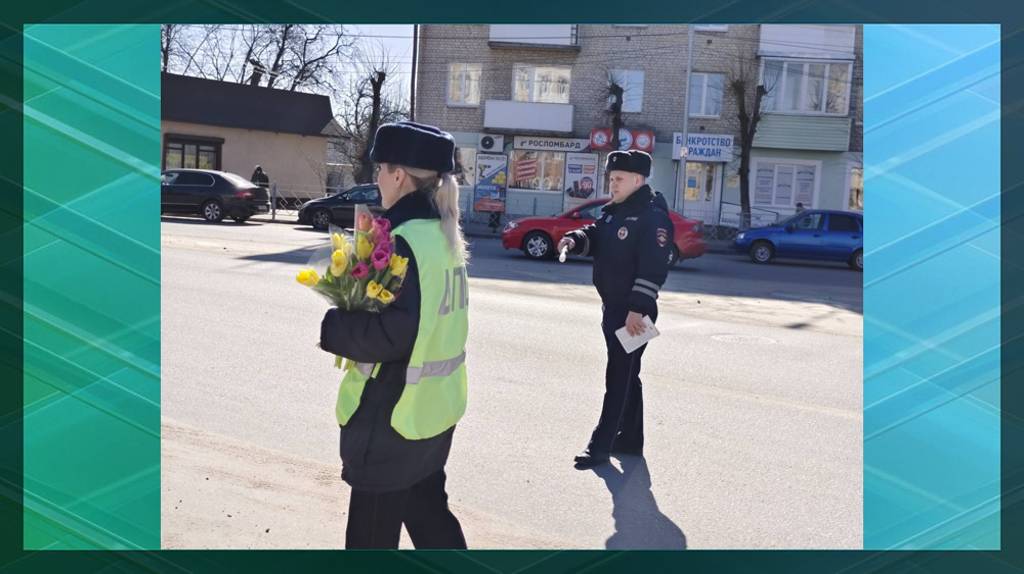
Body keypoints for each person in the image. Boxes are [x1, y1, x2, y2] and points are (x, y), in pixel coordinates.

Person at [318, 121, 470, 548]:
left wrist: (334, 327)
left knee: (371, 537)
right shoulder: (444, 234)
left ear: (399, 175)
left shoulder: (402, 241)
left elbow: (392, 335)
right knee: (428, 514)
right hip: (432, 411)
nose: (377, 178)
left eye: (380, 168)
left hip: (392, 413)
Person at [557, 150, 674, 470]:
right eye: (611, 179)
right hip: (615, 310)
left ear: (638, 180)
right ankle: (631, 440)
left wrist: (637, 310)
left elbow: (653, 269)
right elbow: (598, 235)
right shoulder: (615, 212)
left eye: (619, 179)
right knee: (629, 375)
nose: (613, 184)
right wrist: (573, 238)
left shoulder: (652, 217)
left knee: (618, 376)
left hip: (634, 313)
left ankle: (600, 447)